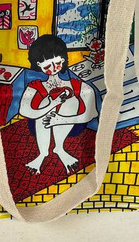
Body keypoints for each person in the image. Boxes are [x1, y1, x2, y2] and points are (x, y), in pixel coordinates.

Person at [18, 34, 99, 174]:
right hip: (39, 126)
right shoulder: (35, 86)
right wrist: (51, 104)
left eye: (57, 63)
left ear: (62, 60)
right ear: (39, 65)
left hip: (72, 125)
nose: (54, 68)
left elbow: (92, 113)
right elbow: (24, 111)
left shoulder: (76, 85)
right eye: (47, 66)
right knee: (46, 102)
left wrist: (60, 120)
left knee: (71, 99)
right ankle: (42, 153)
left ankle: (59, 148)